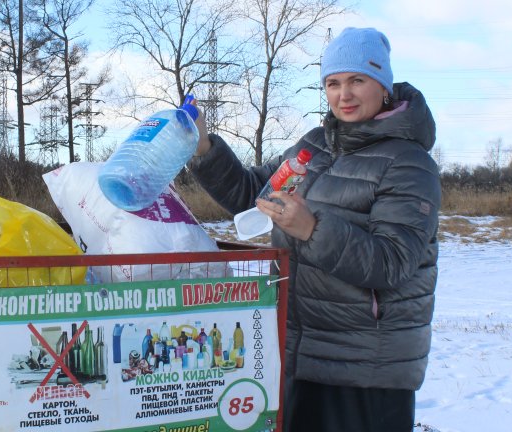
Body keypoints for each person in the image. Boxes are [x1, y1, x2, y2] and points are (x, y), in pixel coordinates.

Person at [188, 27, 440, 431]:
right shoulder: (316, 146)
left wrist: (311, 228)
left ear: (384, 85)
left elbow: (393, 263)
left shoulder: (409, 164)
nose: (345, 94)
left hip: (364, 369)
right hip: (299, 353)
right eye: (333, 83)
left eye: (358, 80)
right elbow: (254, 193)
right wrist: (203, 149)